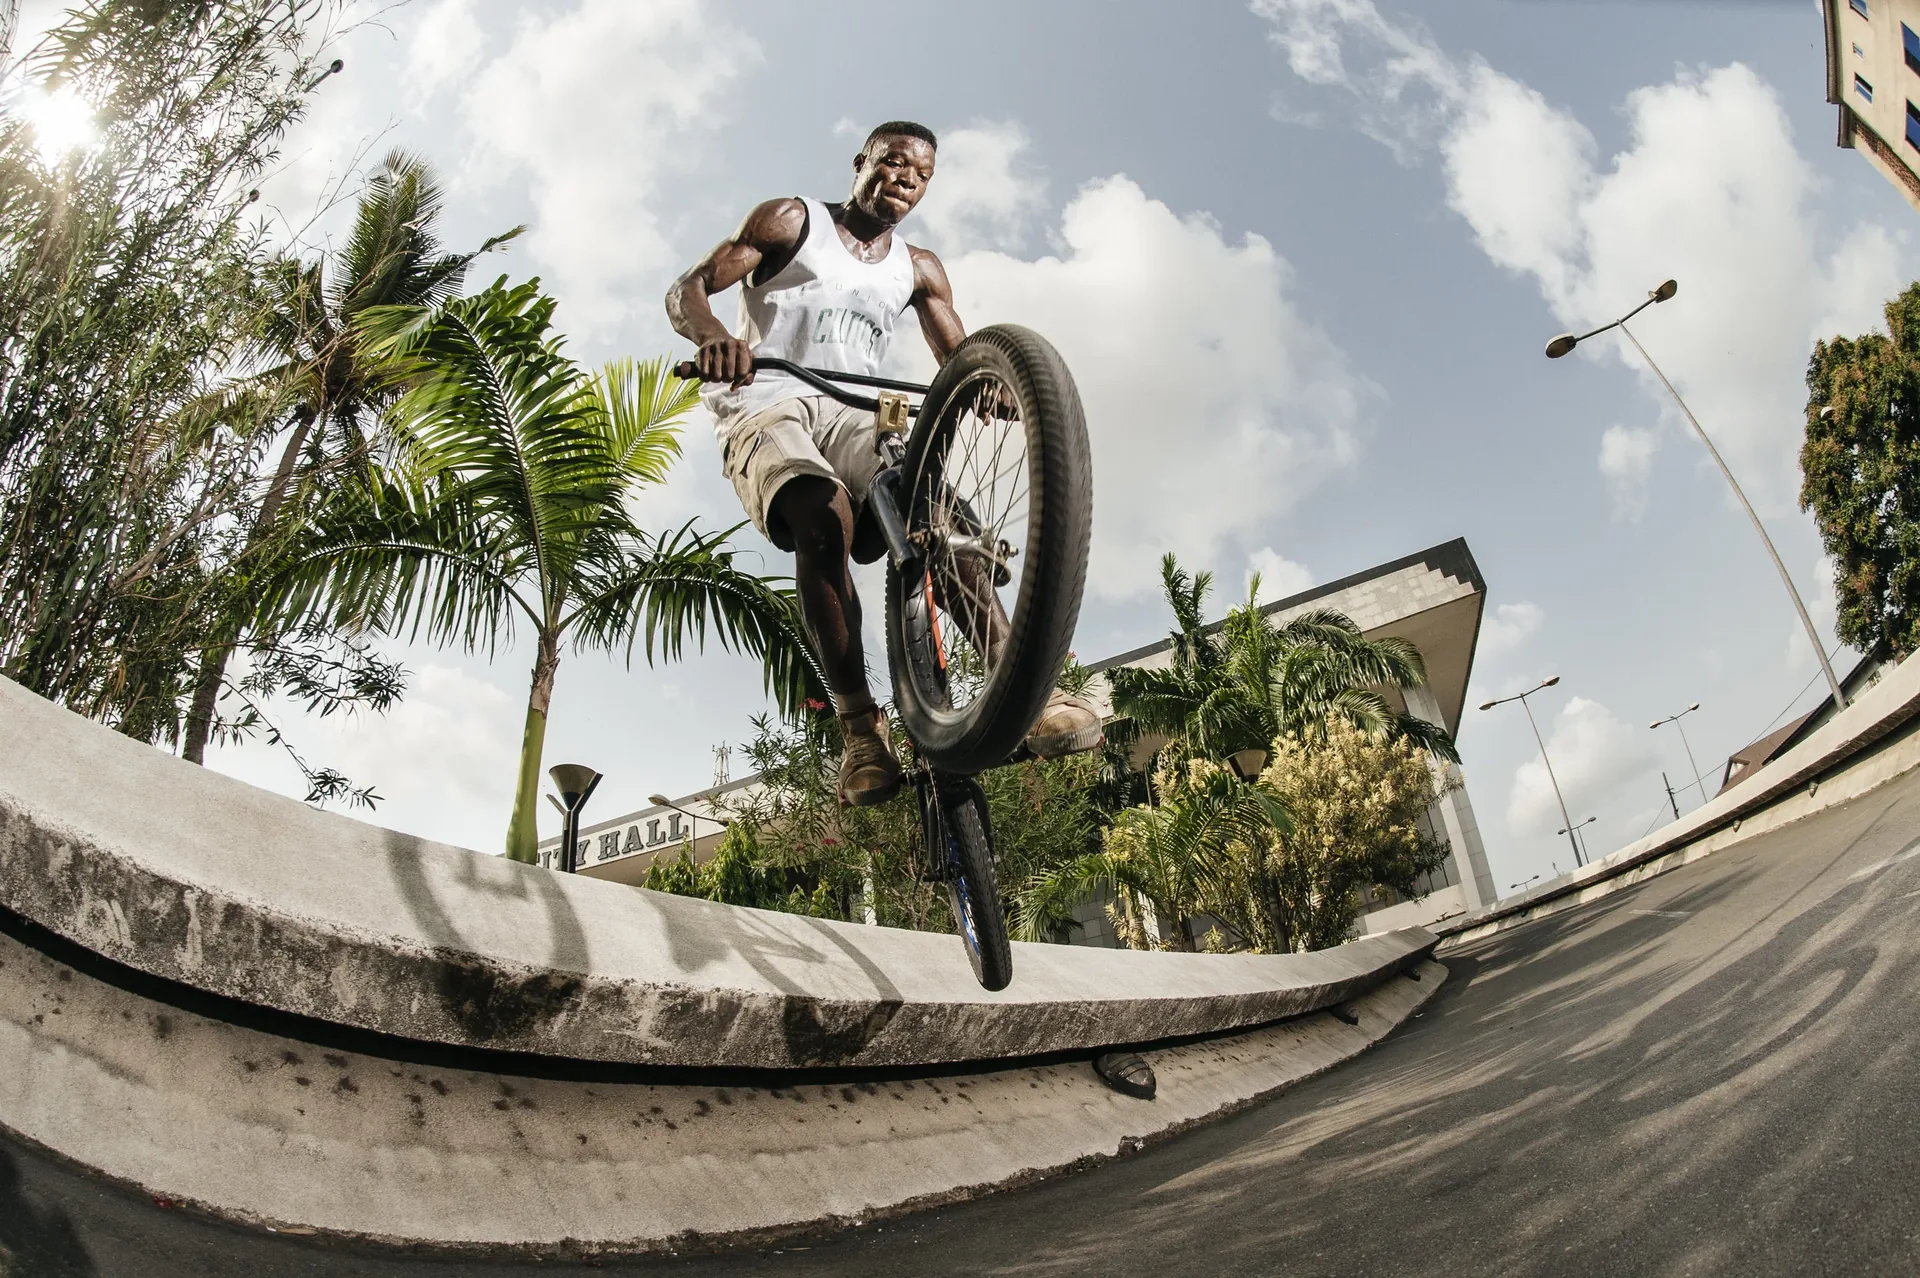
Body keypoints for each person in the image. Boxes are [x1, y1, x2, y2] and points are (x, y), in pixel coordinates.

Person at [666, 120, 1100, 807]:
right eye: (893, 163)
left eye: (921, 175)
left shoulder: (918, 267)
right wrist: (717, 337)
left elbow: (958, 355)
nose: (905, 179)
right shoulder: (790, 221)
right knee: (819, 514)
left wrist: (999, 387)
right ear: (861, 162)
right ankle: (861, 729)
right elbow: (688, 288)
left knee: (933, 509)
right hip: (768, 399)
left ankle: (1025, 687)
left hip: (856, 413)